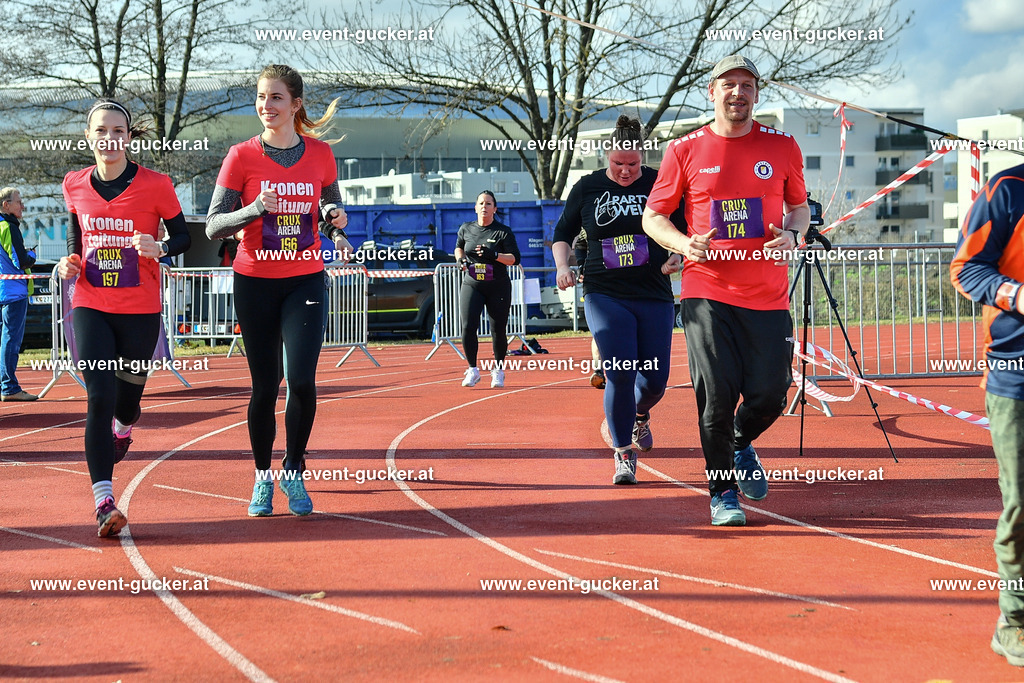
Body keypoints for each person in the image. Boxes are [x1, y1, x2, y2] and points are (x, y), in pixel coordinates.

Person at [642, 55, 809, 525]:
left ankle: (739, 443)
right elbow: (653, 217)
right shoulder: (684, 150)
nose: (738, 92)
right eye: (729, 84)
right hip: (707, 289)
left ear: (757, 94)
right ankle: (722, 494)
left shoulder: (783, 146)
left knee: (773, 393)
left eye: (747, 85)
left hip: (769, 293)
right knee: (715, 395)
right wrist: (683, 244)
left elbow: (799, 209)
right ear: (711, 93)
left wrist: (793, 235)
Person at [206, 64, 351, 517]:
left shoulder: (321, 155)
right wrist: (250, 210)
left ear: (296, 104)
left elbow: (330, 206)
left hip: (305, 278)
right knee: (265, 386)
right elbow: (212, 226)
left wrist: (338, 229)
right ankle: (261, 478)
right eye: (261, 97)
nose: (265, 106)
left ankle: (293, 467)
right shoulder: (241, 156)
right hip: (255, 282)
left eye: (275, 98)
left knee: (302, 382)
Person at [57, 99, 191, 537]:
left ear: (128, 137)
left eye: (118, 130)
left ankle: (123, 428)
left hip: (140, 310)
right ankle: (103, 502)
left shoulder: (156, 184)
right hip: (91, 304)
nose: (109, 138)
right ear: (89, 137)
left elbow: (184, 236)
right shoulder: (74, 184)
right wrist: (69, 262)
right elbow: (79, 235)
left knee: (127, 405)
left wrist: (161, 248)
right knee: (98, 394)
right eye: (101, 130)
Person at [552, 116, 683, 484]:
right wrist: (564, 266)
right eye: (618, 164)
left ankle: (638, 415)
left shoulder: (660, 181)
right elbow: (562, 233)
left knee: (655, 381)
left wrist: (679, 254)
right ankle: (623, 453)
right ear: (606, 156)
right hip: (604, 292)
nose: (626, 172)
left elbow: (686, 225)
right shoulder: (587, 187)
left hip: (654, 292)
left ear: (642, 158)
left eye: (633, 165)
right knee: (620, 371)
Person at [950, 162, 1024, 666]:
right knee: (1022, 501)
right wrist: (1018, 295)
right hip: (1016, 374)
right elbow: (965, 268)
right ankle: (1014, 621)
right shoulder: (1009, 188)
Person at [454, 191, 521, 388]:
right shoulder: (466, 228)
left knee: (498, 330)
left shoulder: (502, 232)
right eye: (481, 203)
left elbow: (515, 259)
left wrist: (494, 254)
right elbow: (458, 247)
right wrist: (460, 259)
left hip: (497, 286)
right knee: (468, 326)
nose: (484, 206)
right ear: (475, 207)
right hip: (472, 283)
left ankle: (498, 371)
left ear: (495, 208)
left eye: (489, 203)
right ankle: (472, 369)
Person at [0, 187, 38, 402]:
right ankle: (10, 387)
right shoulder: (8, 226)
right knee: (10, 340)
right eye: (19, 201)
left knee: (4, 340)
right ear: (6, 205)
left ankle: (5, 385)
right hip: (12, 292)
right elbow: (21, 261)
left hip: (4, 289)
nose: (22, 206)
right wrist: (32, 254)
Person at [571, 229, 606, 390]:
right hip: (598, 282)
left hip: (629, 281)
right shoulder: (593, 214)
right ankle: (598, 371)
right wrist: (581, 266)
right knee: (599, 330)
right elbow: (580, 244)